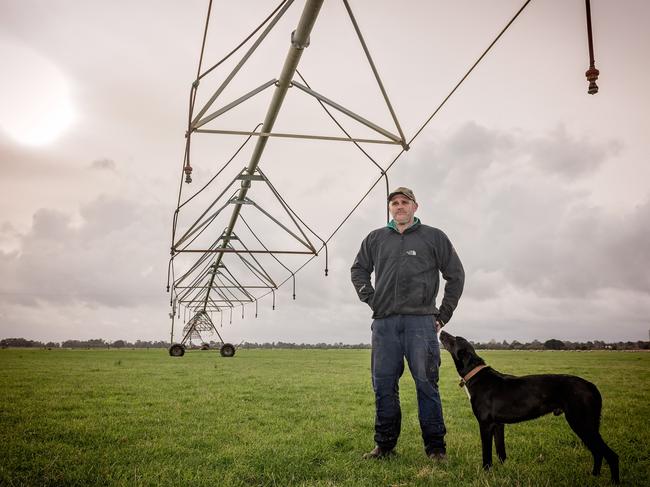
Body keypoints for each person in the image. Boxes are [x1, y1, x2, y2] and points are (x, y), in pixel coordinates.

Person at [350, 186, 465, 461]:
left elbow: (456, 275)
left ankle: (436, 448)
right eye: (394, 203)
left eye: (404, 202)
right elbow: (358, 270)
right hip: (385, 324)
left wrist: (442, 315)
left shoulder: (434, 237)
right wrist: (371, 299)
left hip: (421, 324)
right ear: (390, 209)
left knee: (427, 384)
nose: (399, 206)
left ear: (415, 206)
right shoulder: (376, 238)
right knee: (384, 385)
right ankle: (385, 445)